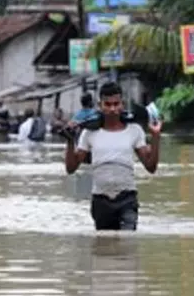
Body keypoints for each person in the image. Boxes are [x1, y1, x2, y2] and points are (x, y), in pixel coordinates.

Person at [64, 82, 162, 231]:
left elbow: (151, 167)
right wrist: (70, 141)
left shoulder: (134, 130)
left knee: (127, 242)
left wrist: (155, 136)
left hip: (127, 198)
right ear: (100, 105)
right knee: (105, 248)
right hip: (101, 200)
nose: (112, 109)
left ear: (122, 104)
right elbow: (71, 168)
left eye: (116, 104)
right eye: (107, 104)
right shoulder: (89, 133)